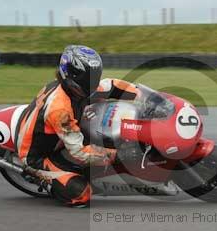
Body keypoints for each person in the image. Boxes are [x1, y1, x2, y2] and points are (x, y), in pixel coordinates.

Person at [14, 45, 139, 207]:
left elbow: (111, 85)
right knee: (81, 194)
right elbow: (79, 152)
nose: (94, 83)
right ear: (72, 76)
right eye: (89, 79)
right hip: (37, 156)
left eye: (95, 77)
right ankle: (46, 180)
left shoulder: (76, 88)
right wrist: (119, 155)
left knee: (105, 134)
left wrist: (143, 95)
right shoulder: (60, 109)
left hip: (59, 135)